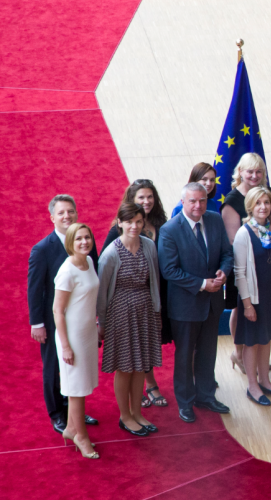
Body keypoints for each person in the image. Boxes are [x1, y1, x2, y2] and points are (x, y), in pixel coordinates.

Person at [159, 182, 234, 423]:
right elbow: (169, 270)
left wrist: (224, 271)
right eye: (192, 201)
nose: (198, 205)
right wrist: (203, 283)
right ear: (183, 202)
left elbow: (227, 253)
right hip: (185, 306)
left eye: (202, 200)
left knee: (208, 352)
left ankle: (205, 396)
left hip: (212, 304)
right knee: (184, 357)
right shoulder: (169, 230)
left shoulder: (214, 219)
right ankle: (186, 402)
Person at [28, 195, 99, 435]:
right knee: (53, 367)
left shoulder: (86, 242)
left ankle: (74, 413)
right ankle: (57, 413)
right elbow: (35, 289)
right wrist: (37, 323)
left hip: (80, 320)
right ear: (52, 218)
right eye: (61, 213)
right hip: (52, 320)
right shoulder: (42, 249)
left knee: (76, 367)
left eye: (70, 211)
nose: (66, 216)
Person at [101, 179, 171, 409]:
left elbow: (158, 269)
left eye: (150, 196)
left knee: (145, 352)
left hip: (149, 300)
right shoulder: (113, 244)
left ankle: (141, 399)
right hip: (121, 307)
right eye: (141, 197)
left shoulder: (155, 233)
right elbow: (103, 280)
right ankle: (129, 406)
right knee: (126, 359)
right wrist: (100, 319)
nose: (146, 201)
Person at [97, 203, 162, 436]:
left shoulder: (149, 246)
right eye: (129, 222)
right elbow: (102, 292)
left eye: (138, 221)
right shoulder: (111, 253)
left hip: (145, 312)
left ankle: (137, 413)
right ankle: (125, 416)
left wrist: (156, 312)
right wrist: (101, 323)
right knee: (125, 368)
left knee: (141, 365)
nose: (134, 226)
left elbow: (153, 281)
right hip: (120, 315)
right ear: (119, 223)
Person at [233, 187, 271, 405]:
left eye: (266, 202)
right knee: (252, 341)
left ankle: (265, 380)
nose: (263, 207)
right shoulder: (243, 233)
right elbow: (239, 273)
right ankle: (252, 385)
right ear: (250, 206)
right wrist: (247, 305)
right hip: (253, 298)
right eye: (258, 203)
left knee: (266, 338)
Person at [221, 153, 271, 378]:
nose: (254, 175)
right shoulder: (232, 201)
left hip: (264, 265)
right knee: (239, 309)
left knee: (258, 310)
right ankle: (238, 353)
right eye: (249, 171)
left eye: (258, 171)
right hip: (241, 267)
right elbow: (233, 242)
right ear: (240, 172)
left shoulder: (265, 194)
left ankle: (255, 357)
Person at [52, 223, 100, 458]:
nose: (84, 242)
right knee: (76, 390)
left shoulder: (89, 262)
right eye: (79, 238)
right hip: (72, 337)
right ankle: (81, 436)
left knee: (80, 387)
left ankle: (71, 428)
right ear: (71, 242)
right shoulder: (67, 271)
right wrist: (66, 346)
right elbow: (57, 311)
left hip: (88, 333)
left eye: (87, 237)